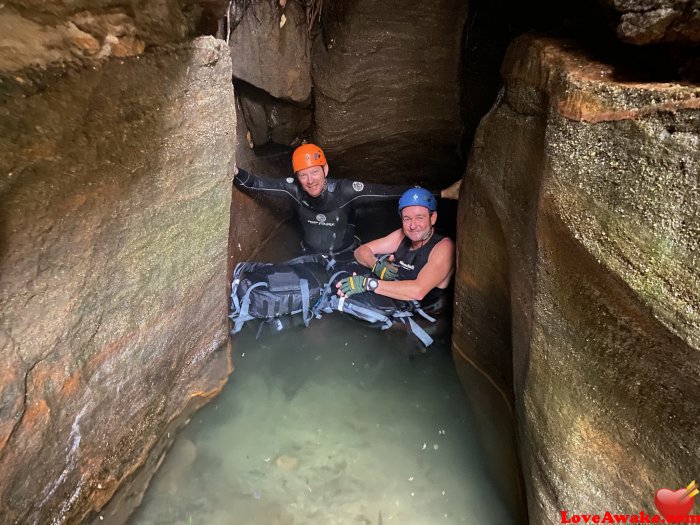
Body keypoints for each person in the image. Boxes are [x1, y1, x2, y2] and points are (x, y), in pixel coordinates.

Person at [232, 143, 460, 257]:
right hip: (309, 255)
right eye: (303, 175)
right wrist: (233, 171)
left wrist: (442, 193)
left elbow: (389, 192)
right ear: (297, 177)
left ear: (326, 169)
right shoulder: (293, 190)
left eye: (315, 172)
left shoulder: (346, 191)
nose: (310, 180)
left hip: (345, 255)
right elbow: (255, 183)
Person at [335, 187, 455, 312]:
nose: (413, 226)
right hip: (397, 307)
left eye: (420, 217)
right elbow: (360, 251)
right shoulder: (402, 235)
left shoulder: (444, 247)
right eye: (407, 219)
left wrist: (367, 284)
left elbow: (418, 291)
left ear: (433, 218)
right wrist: (376, 265)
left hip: (421, 319)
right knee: (342, 280)